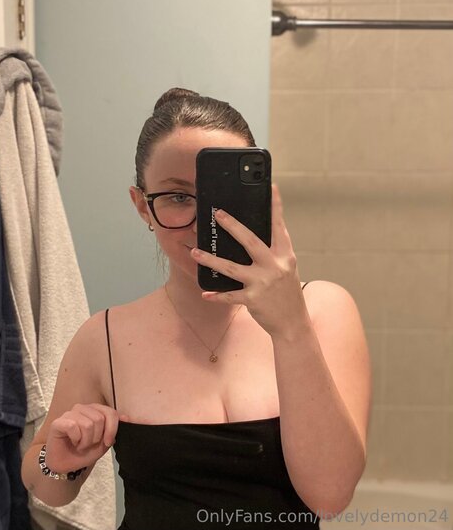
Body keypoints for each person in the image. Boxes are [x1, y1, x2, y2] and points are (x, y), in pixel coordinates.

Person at [21, 88, 372, 529]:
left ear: (257, 199)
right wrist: (58, 460)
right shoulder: (104, 337)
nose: (205, 224)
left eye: (222, 197)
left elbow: (330, 497)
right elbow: (47, 485)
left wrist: (291, 329)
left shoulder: (323, 309)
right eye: (178, 197)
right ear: (142, 207)